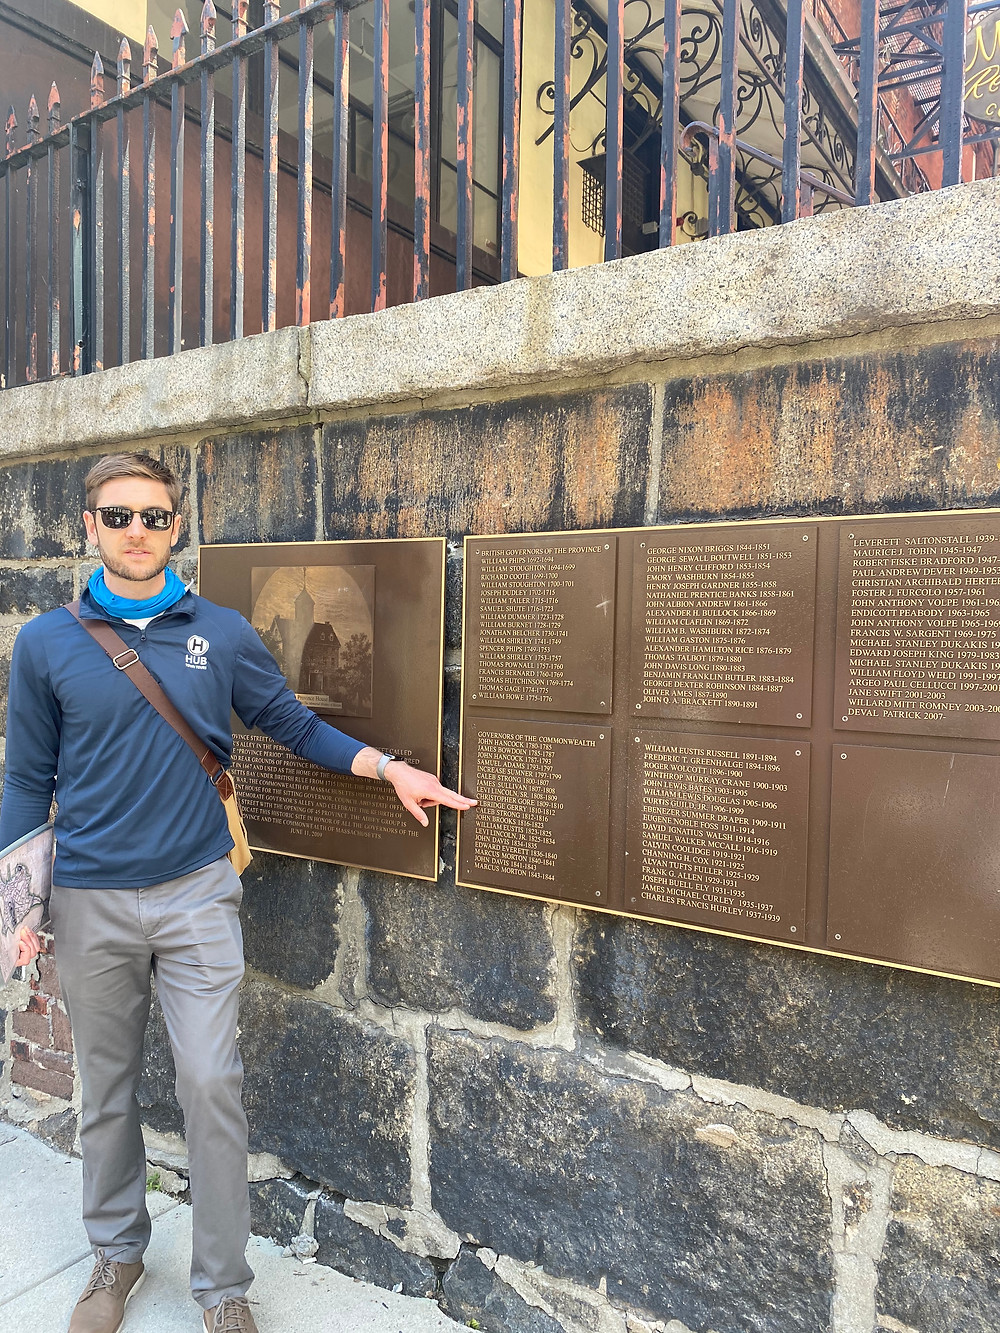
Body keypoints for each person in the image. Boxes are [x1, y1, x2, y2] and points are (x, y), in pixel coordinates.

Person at [1, 452, 475, 1333]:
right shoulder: (46, 643)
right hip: (90, 899)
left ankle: (222, 1284)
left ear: (177, 525)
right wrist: (19, 908)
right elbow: (26, 779)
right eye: (117, 516)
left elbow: (291, 724)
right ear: (88, 526)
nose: (135, 531)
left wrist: (389, 768)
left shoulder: (217, 631)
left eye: (152, 515)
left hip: (196, 894)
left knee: (211, 1080)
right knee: (103, 1088)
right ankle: (117, 1250)